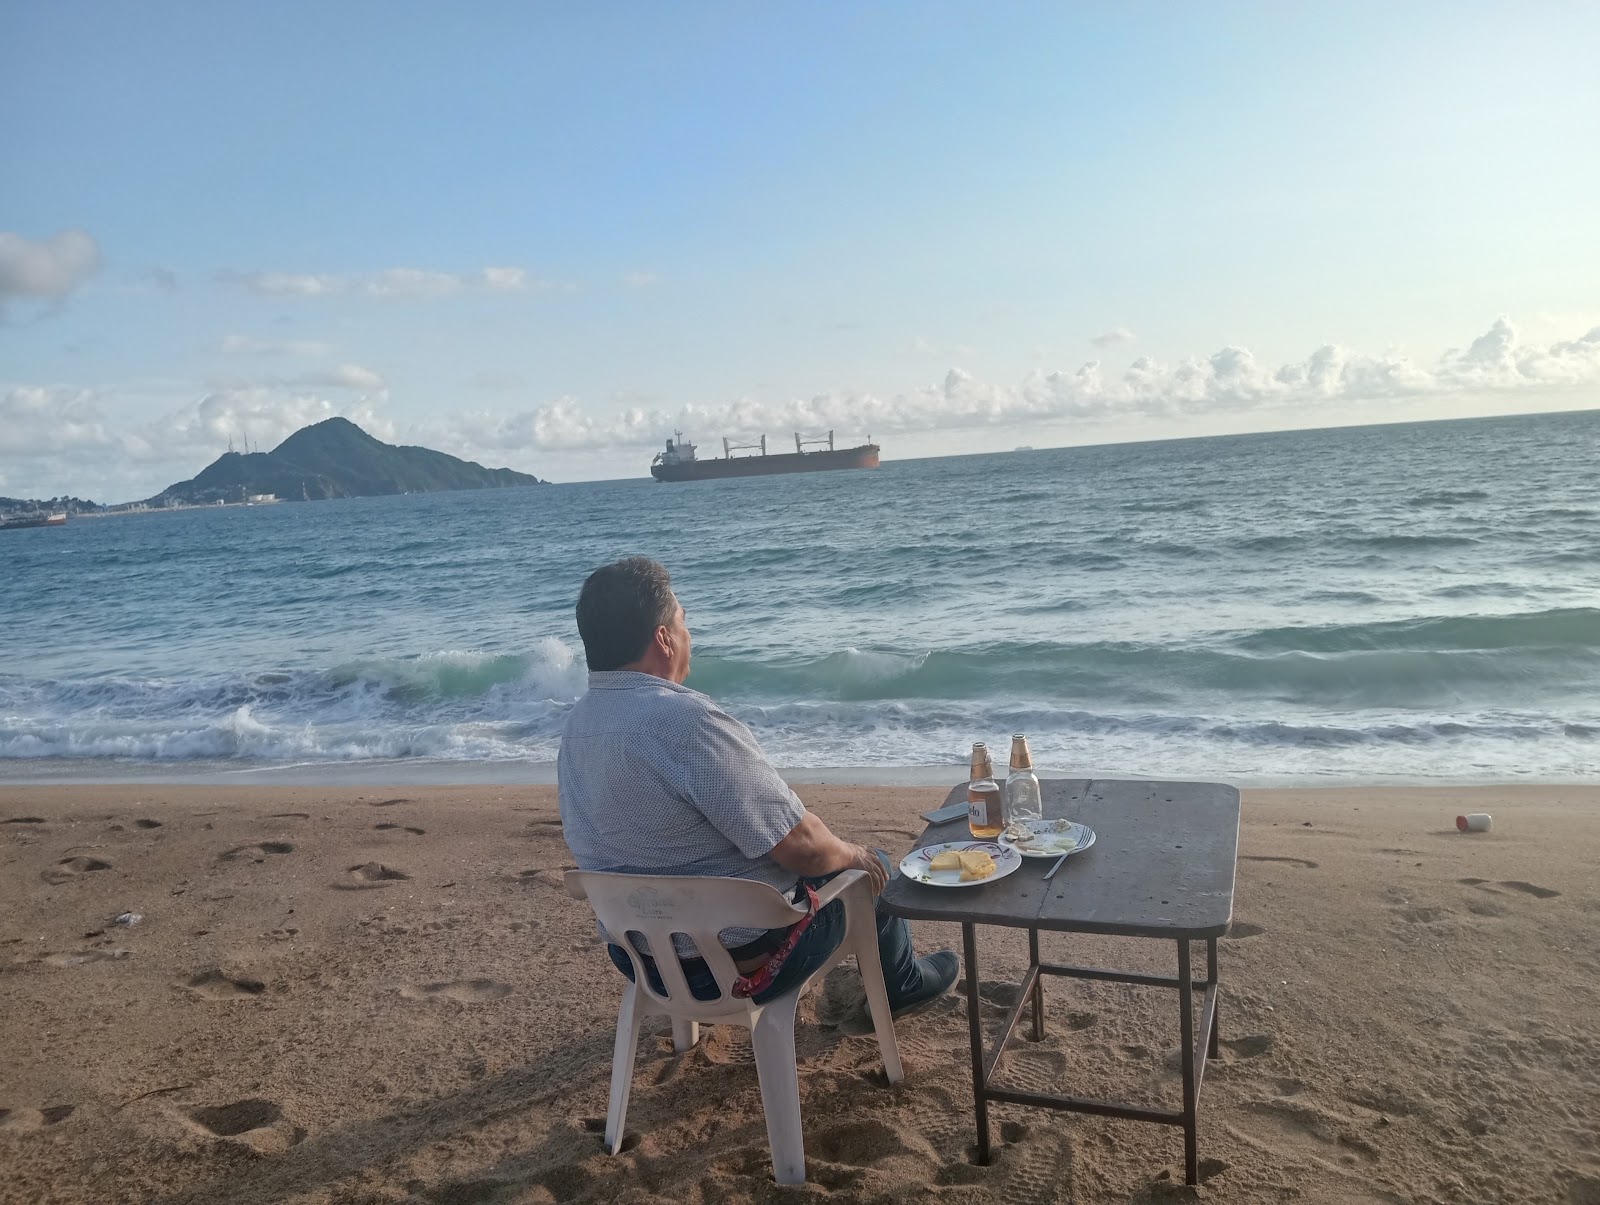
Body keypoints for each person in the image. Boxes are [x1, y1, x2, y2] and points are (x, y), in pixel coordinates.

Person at [558, 556, 958, 1015]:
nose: (689, 636)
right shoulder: (688, 722)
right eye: (684, 622)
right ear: (664, 639)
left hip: (644, 962)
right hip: (737, 965)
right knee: (869, 867)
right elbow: (802, 848)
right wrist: (856, 855)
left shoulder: (577, 728)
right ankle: (902, 985)